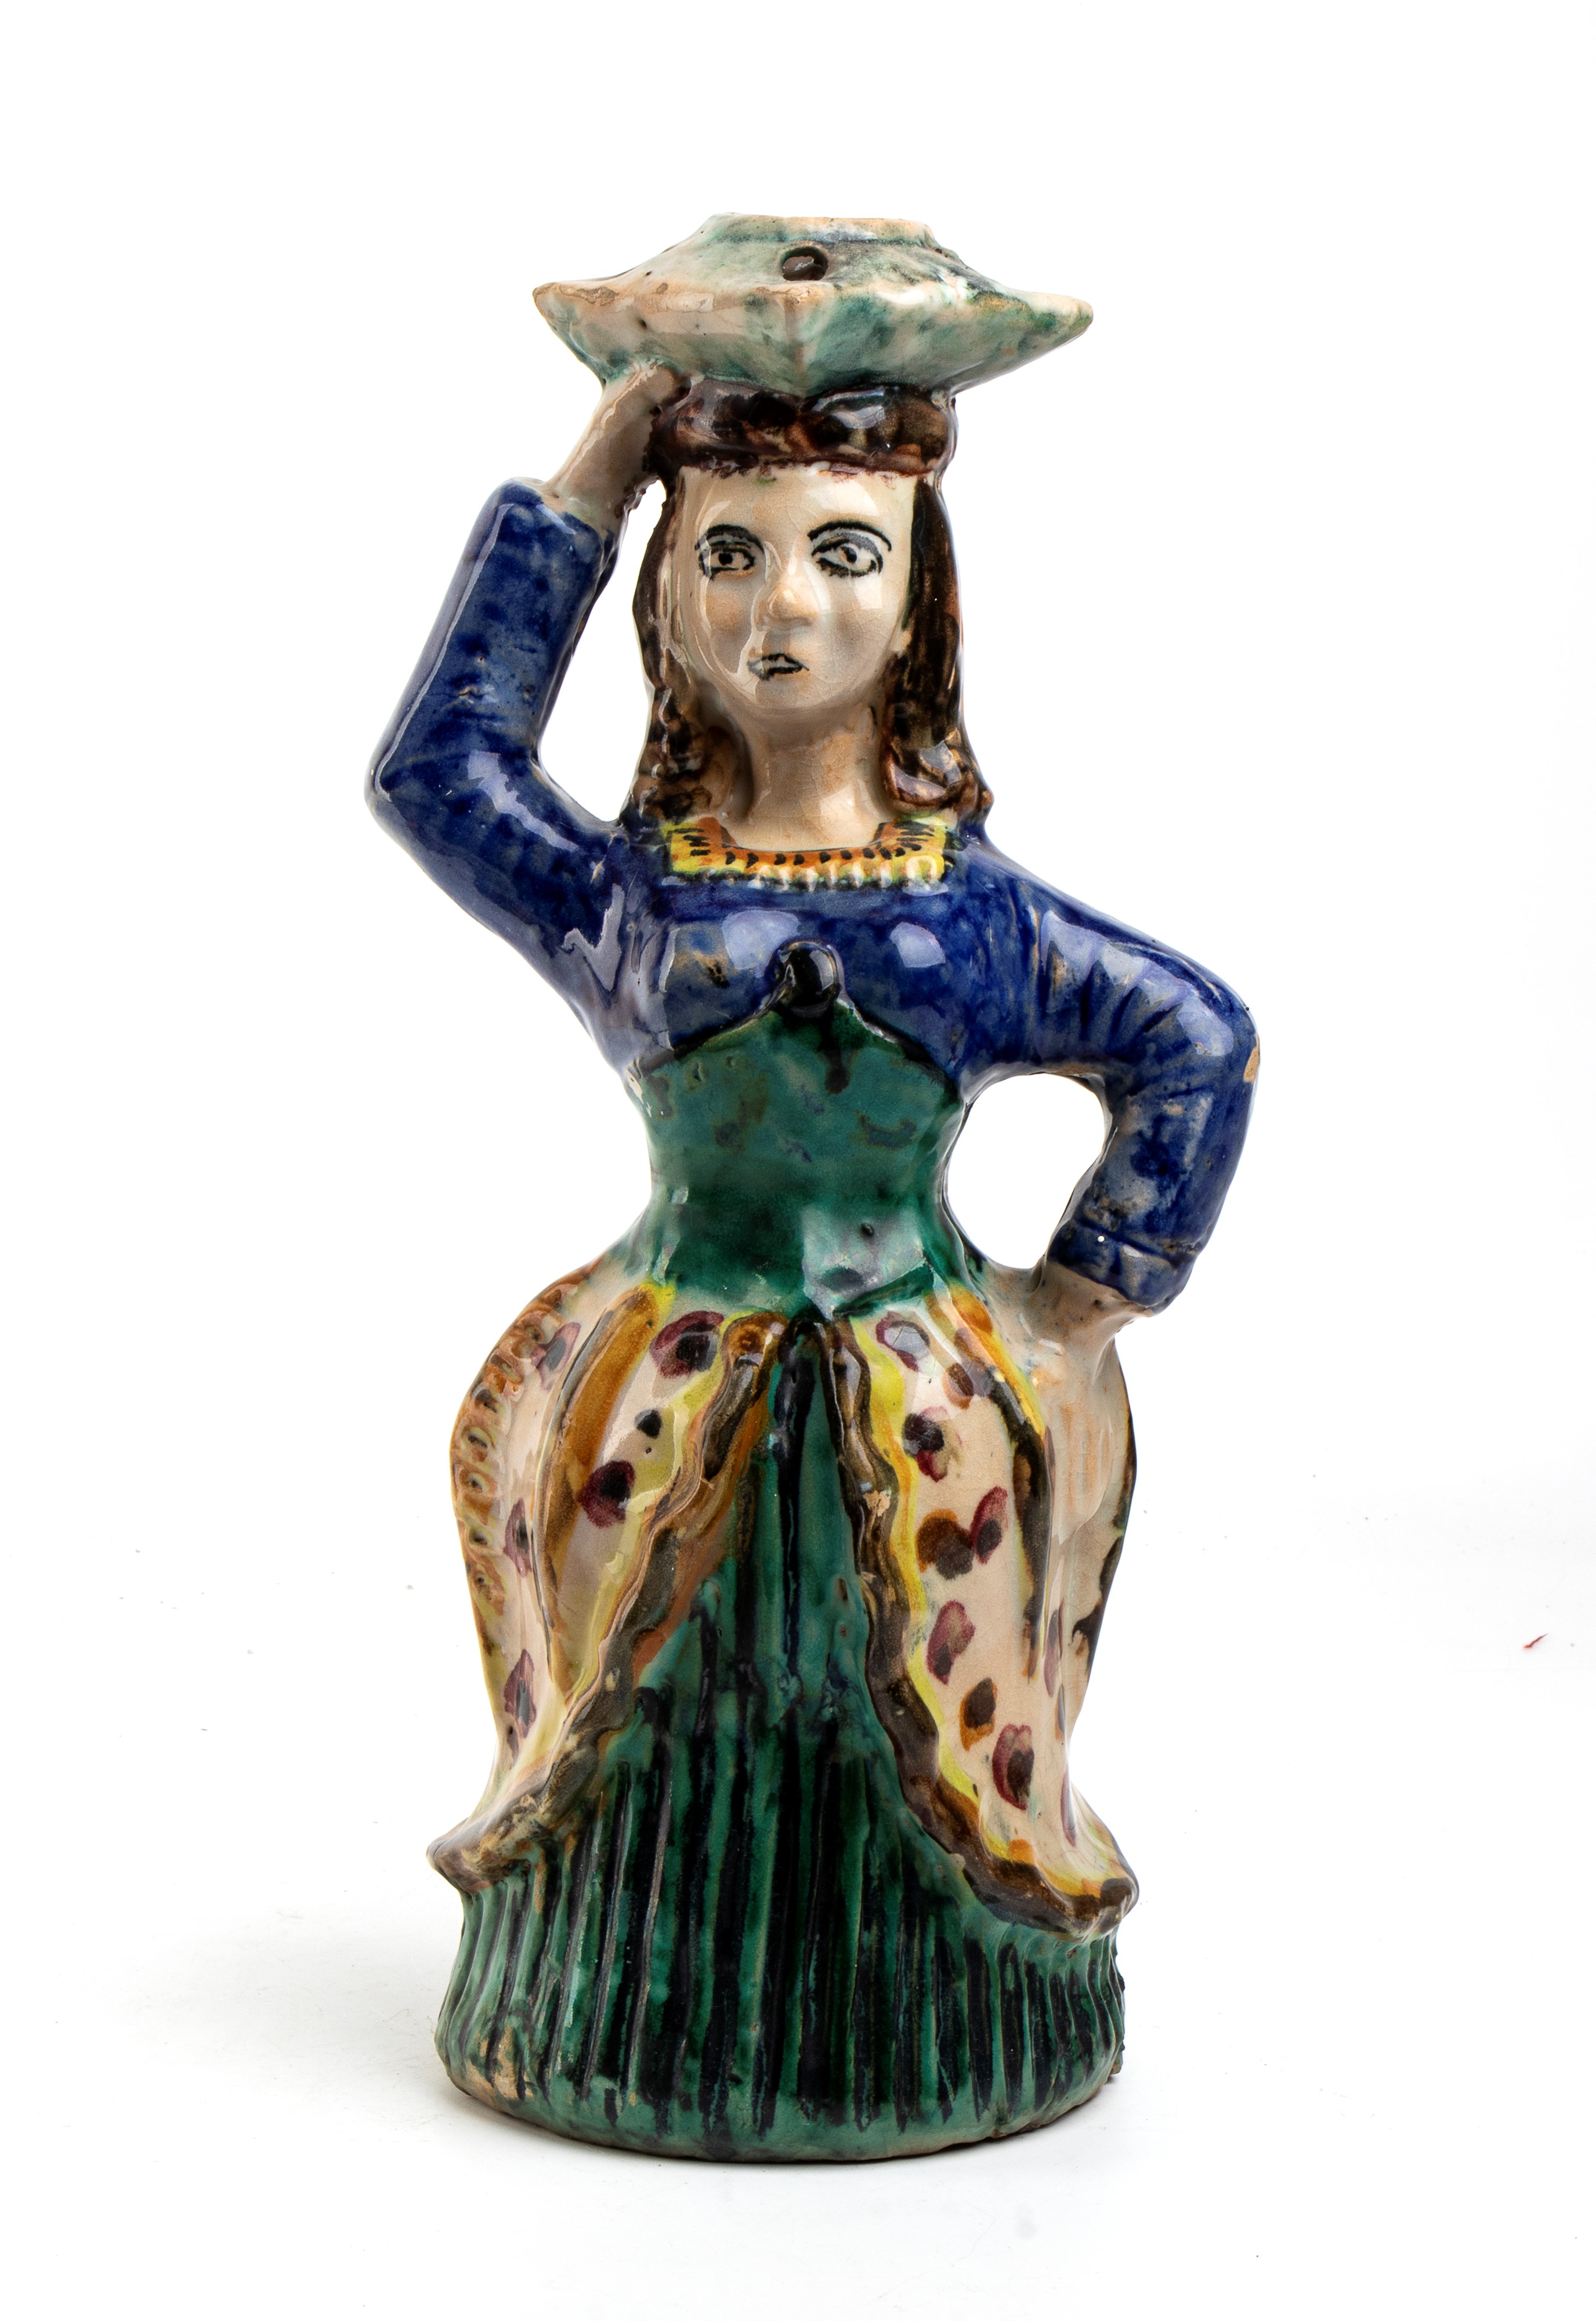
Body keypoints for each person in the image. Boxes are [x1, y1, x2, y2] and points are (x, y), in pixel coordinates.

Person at [369, 359, 1257, 2158]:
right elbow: (438, 772)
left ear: (921, 601)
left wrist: (1089, 1298)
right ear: (667, 598)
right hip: (664, 1371)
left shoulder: (969, 915)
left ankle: (935, 2035)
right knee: (624, 1693)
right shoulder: (636, 893)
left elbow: (1195, 1039)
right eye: (725, 553)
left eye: (844, 553)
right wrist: (585, 486)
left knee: (931, 1705)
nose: (779, 605)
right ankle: (619, 2020)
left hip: (923, 1380)